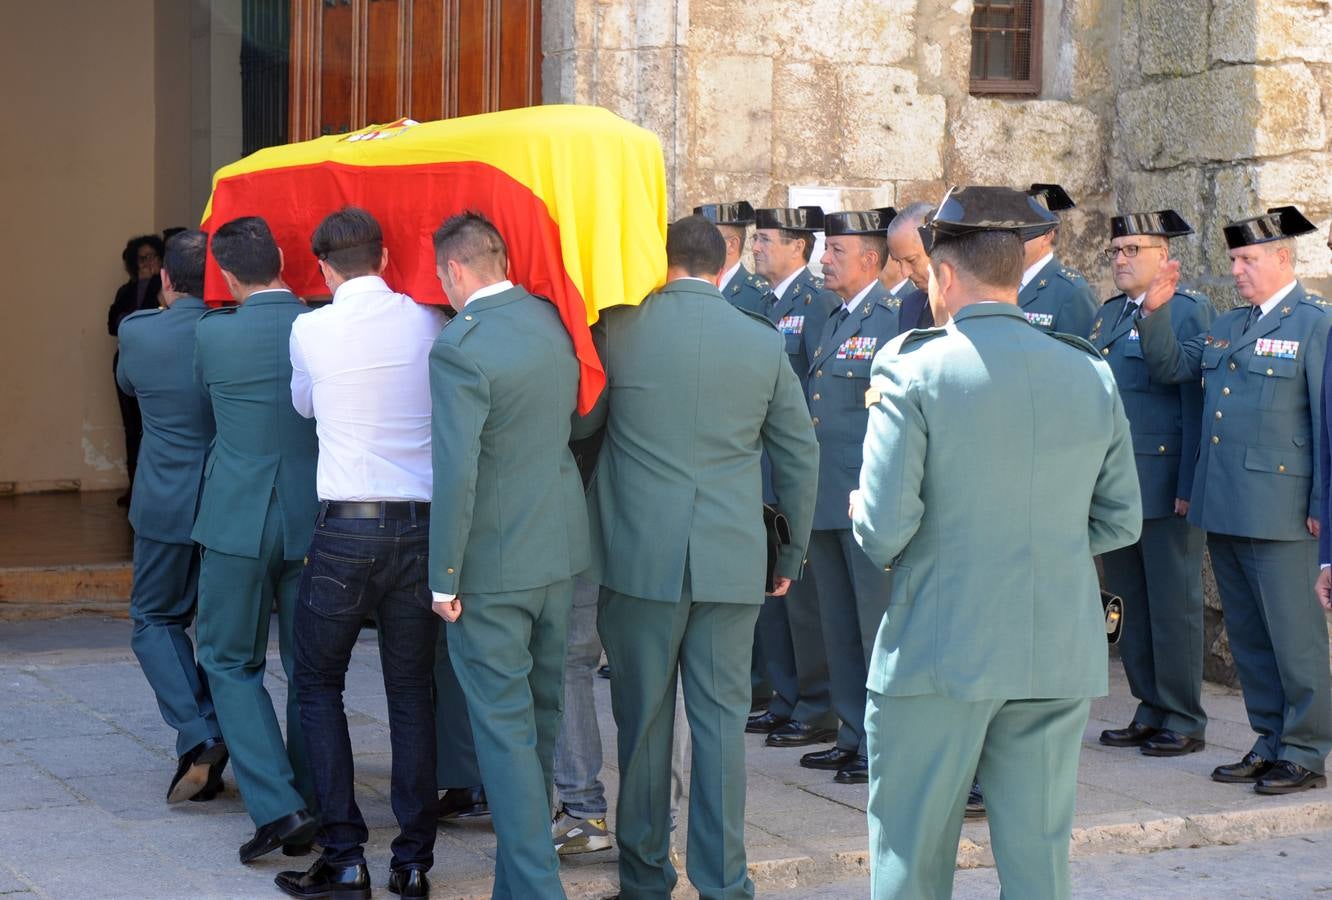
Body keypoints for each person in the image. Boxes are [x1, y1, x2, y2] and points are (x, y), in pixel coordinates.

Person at [852, 185, 1142, 899]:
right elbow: (1120, 519)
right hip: (1054, 645)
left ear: (944, 277)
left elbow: (883, 526)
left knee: (912, 857)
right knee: (1039, 862)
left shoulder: (912, 365)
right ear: (1016, 272)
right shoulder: (1089, 369)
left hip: (939, 646)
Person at [576, 213, 818, 899]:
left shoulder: (620, 330)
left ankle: (646, 879)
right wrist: (789, 555)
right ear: (723, 265)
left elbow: (582, 426)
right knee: (718, 731)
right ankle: (723, 883)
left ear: (663, 262)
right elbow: (800, 455)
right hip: (731, 562)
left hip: (638, 561)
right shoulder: (760, 340)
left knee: (643, 726)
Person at [274, 208, 444, 900]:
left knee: (317, 684)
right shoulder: (427, 320)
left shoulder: (310, 328)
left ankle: (344, 854)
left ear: (322, 266)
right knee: (411, 692)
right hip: (421, 526)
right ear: (383, 255)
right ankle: (414, 861)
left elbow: (306, 408)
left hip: (345, 528)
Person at [1139, 205, 1332, 795]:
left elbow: (1327, 427)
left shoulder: (1315, 325)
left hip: (1284, 510)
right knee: (1249, 636)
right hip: (1224, 503)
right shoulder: (1228, 324)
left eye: (1248, 260)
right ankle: (1269, 738)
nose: (1238, 270)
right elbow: (1173, 366)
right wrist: (1155, 310)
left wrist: (1324, 510)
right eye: (1233, 261)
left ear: (1282, 259)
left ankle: (1304, 749)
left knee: (1295, 638)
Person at [428, 211, 590, 899]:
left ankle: (537, 887)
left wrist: (444, 577)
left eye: (443, 278)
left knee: (503, 733)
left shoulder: (460, 346)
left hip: (491, 566)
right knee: (539, 719)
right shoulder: (551, 320)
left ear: (457, 271)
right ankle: (519, 883)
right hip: (557, 550)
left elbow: (457, 472)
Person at [193, 216, 320, 864]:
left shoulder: (213, 335)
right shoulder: (317, 325)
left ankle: (277, 805)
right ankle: (312, 794)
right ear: (281, 261)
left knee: (227, 659)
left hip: (238, 517)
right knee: (309, 670)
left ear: (229, 274)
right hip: (311, 517)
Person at [1090, 210, 1215, 757]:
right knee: (1125, 600)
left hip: (1166, 484)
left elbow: (1193, 398)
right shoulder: (1110, 315)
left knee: (1173, 603)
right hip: (1117, 485)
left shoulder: (1188, 311)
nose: (1120, 259)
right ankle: (1149, 704)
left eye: (1131, 250)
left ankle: (1184, 715)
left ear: (1165, 259)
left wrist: (1190, 482)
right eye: (1115, 251)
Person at [114, 230, 226, 804]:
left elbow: (128, 386)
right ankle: (211, 731)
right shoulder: (232, 333)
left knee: (154, 619)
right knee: (226, 637)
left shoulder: (139, 333)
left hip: (163, 501)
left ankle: (200, 728)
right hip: (226, 502)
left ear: (164, 280)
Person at [802, 209, 900, 785]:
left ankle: (877, 740)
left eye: (836, 250)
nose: (824, 260)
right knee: (836, 621)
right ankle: (849, 731)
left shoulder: (888, 319)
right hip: (826, 492)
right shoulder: (833, 316)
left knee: (872, 624)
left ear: (869, 258)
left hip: (863, 495)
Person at [745, 206, 838, 750]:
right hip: (762, 461)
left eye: (766, 239)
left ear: (798, 248)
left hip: (793, 461)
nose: (756, 247)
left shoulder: (816, 301)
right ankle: (784, 697)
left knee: (800, 597)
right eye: (754, 239)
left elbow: (813, 387)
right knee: (772, 595)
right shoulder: (765, 301)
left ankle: (815, 701)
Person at [108, 234, 164, 507]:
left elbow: (148, 319)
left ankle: (150, 489)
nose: (149, 263)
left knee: (150, 427)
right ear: (134, 262)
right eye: (144, 258)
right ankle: (134, 488)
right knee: (131, 428)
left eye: (154, 256)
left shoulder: (162, 289)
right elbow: (112, 323)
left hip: (155, 363)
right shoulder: (125, 290)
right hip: (127, 363)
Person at [1017, 184, 1098, 339]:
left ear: (1047, 235)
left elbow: (1081, 358)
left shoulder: (1071, 292)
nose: (1012, 238)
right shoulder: (1003, 281)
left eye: (1022, 230)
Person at [695, 201, 769, 314]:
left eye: (707, 238)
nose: (698, 244)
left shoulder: (757, 294)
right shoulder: (695, 286)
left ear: (732, 245)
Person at [886, 202, 936, 334]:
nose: (905, 272)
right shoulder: (909, 305)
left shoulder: (969, 303)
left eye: (911, 260)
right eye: (898, 262)